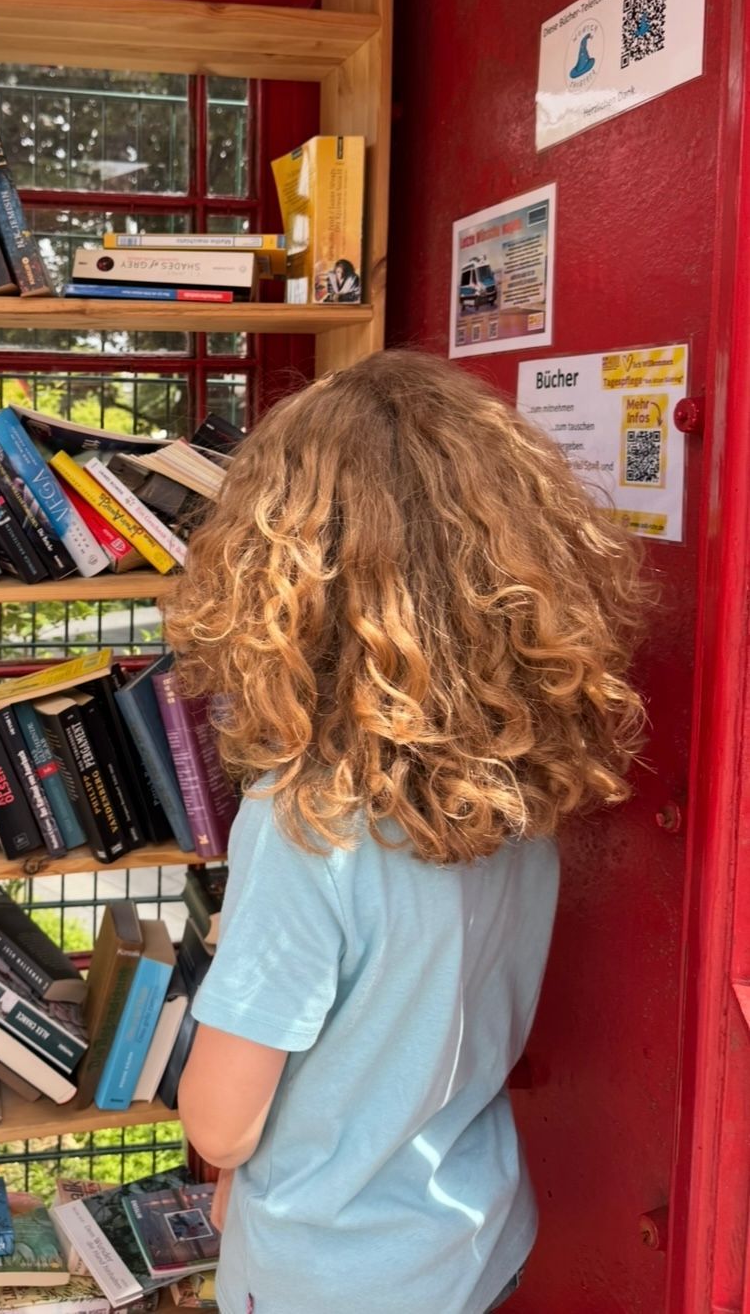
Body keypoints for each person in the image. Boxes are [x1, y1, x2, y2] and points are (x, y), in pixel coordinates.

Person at [164, 351, 647, 1314]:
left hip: (330, 1274)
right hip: (472, 1236)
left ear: (279, 581)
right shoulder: (515, 781)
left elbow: (219, 1125)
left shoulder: (304, 819)